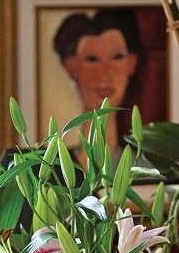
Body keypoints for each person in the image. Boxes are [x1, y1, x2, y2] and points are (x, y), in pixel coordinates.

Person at [53, 8, 145, 157]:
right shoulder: (48, 171)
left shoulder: (147, 172)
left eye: (117, 57)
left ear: (132, 63)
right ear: (71, 67)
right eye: (92, 60)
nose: (104, 75)